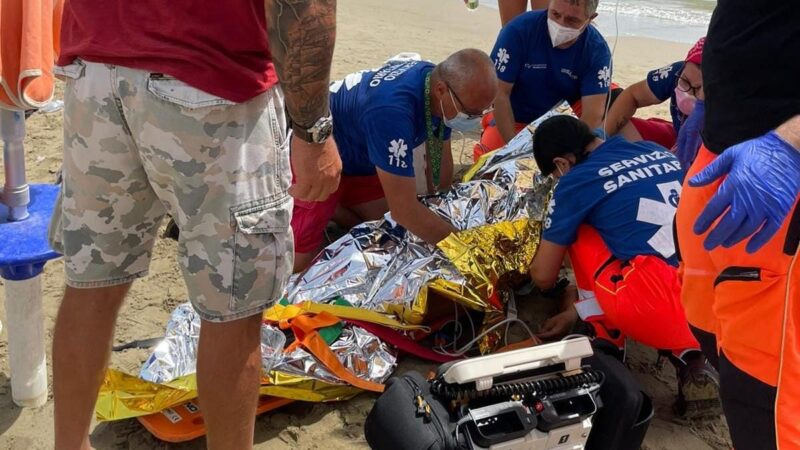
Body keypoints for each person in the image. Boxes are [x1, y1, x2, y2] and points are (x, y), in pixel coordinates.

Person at [47, 1, 342, 449]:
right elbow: (303, 7)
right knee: (234, 306)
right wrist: (313, 132)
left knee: (92, 285)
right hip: (208, 79)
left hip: (93, 68)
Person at [529, 115, 719, 417]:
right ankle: (692, 358)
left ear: (561, 164)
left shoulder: (576, 181)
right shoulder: (654, 150)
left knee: (578, 229)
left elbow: (542, 276)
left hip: (660, 307)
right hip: (719, 306)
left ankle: (605, 336)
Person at [676, 1, 800, 447]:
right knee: (712, 334)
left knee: (768, 393)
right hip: (722, 156)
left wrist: (792, 141)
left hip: (784, 182)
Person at [292, 49, 497, 272]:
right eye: (471, 114)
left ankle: (336, 207)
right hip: (319, 156)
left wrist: (441, 206)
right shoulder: (393, 111)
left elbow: (440, 161)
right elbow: (405, 210)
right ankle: (328, 201)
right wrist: (465, 249)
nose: (475, 122)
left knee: (392, 231)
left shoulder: (436, 87)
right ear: (441, 90)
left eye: (482, 114)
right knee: (298, 263)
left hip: (362, 159)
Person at [474, 0, 611, 161]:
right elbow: (500, 93)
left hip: (566, 121)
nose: (560, 24)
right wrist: (514, 148)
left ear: (590, 18)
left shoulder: (597, 50)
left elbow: (592, 115)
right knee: (488, 161)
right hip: (516, 116)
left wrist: (569, 154)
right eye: (555, 14)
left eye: (572, 20)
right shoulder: (518, 30)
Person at [605, 37, 706, 168]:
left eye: (701, 89)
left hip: (711, 154)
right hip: (677, 136)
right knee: (617, 128)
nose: (690, 94)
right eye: (685, 81)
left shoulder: (734, 103)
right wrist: (601, 137)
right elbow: (632, 96)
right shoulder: (675, 72)